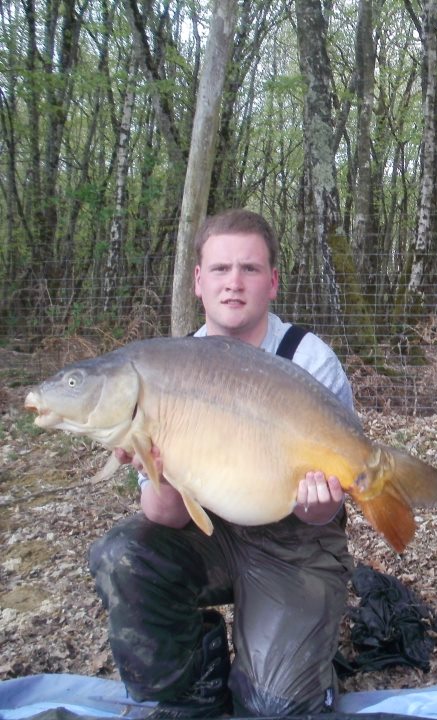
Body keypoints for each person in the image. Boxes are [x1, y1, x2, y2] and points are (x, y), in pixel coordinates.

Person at [89, 209, 355, 717]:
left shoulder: (308, 358)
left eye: (250, 270)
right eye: (220, 269)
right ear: (197, 281)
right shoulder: (164, 368)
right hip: (208, 535)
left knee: (276, 707)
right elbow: (167, 515)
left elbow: (321, 515)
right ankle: (195, 683)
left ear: (273, 282)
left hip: (292, 543)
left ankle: (293, 653)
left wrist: (319, 503)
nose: (234, 284)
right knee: (123, 555)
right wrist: (157, 465)